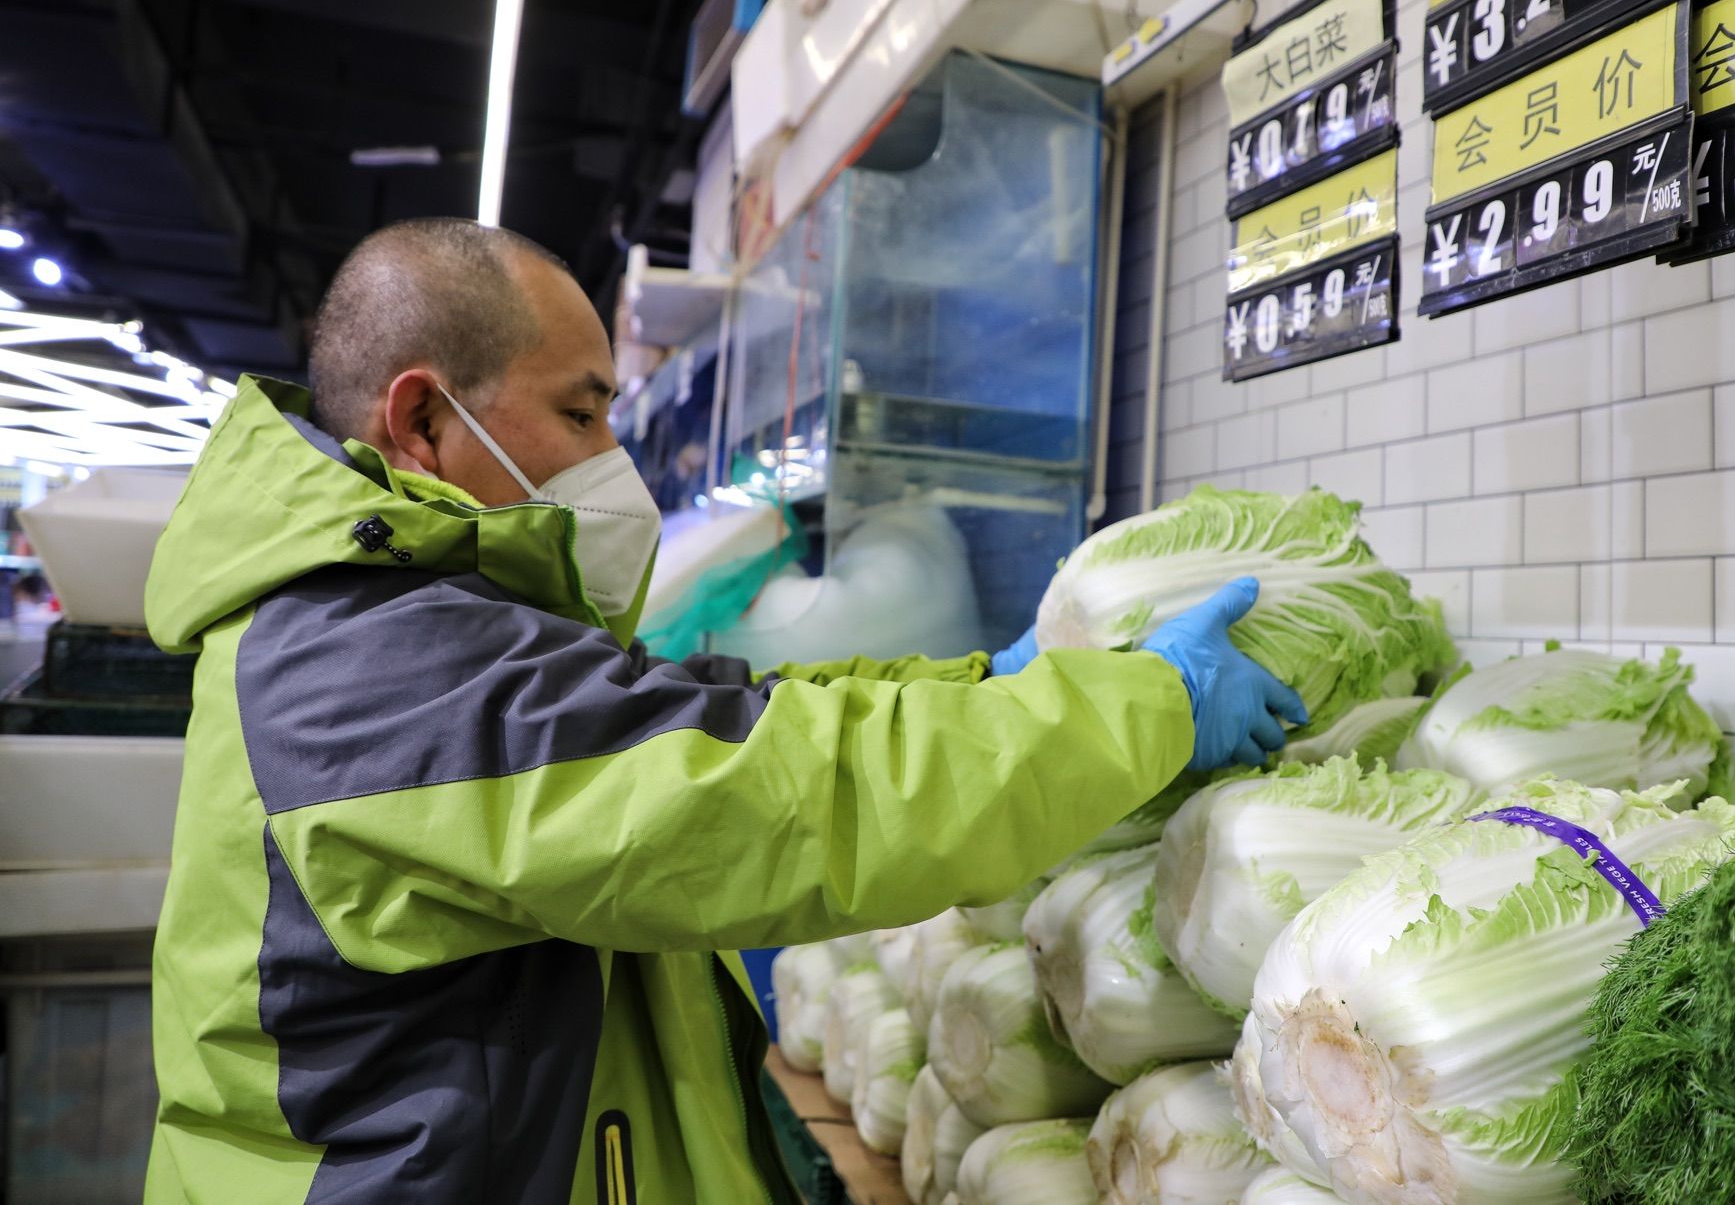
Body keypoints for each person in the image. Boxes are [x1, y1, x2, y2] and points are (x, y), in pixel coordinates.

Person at [142, 219, 1304, 1203]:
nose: (612, 455)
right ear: (424, 421)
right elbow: (775, 801)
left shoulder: (412, 623)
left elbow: (727, 718)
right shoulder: (369, 670)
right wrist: (1144, 705)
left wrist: (990, 684)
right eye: (581, 414)